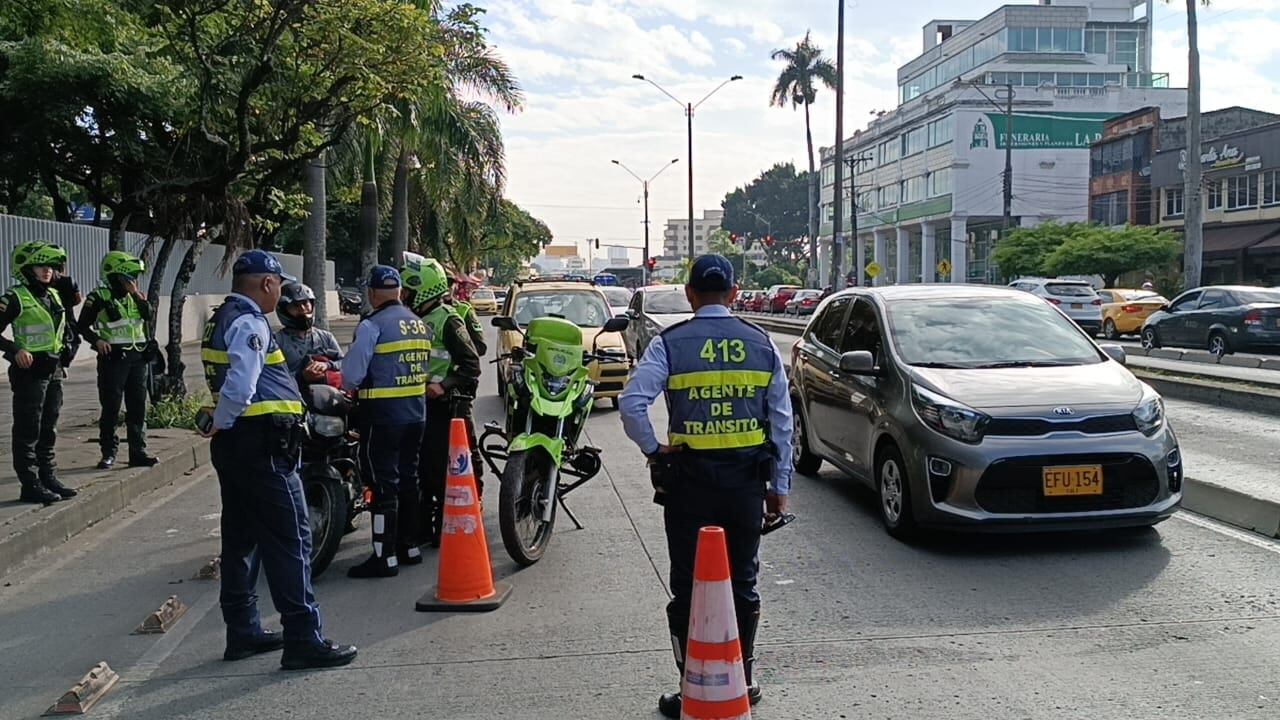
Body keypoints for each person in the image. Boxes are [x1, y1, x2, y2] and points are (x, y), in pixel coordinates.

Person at [618, 254, 793, 718]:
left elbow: (633, 403)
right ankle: (744, 678)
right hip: (745, 486)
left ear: (690, 295)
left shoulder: (670, 343)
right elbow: (781, 424)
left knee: (687, 584)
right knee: (743, 582)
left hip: (688, 486)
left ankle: (690, 684)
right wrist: (780, 488)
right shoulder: (761, 344)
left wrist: (655, 451)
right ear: (734, 294)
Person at [200, 249, 356, 670]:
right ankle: (304, 638)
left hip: (238, 447)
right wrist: (224, 419)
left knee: (240, 540)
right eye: (278, 286)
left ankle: (244, 631)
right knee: (292, 541)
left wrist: (221, 423)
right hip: (263, 444)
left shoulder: (220, 318)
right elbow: (241, 384)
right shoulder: (250, 322)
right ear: (266, 284)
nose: (281, 295)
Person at [341, 265, 429, 577]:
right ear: (400, 292)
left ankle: (384, 556)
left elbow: (351, 376)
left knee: (382, 484)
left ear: (372, 293)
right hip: (416, 414)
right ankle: (410, 546)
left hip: (382, 416)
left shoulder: (372, 325)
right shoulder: (417, 324)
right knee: (408, 478)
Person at [399, 255, 481, 547]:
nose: (403, 296)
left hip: (447, 407)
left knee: (446, 468)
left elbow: (472, 365)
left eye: (408, 290)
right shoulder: (413, 320)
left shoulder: (449, 319)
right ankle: (423, 528)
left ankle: (456, 520)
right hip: (417, 406)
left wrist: (442, 385)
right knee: (421, 469)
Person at [0, 241, 78, 504]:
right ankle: (30, 483)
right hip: (29, 372)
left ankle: (48, 476)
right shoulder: (15, 297)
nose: (47, 271)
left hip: (53, 370)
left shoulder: (54, 295)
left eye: (51, 266)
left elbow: (64, 326)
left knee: (49, 427)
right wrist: (14, 350)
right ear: (26, 269)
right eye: (41, 266)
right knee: (28, 429)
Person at [77, 250, 158, 470]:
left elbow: (148, 315)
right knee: (111, 407)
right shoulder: (99, 296)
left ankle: (138, 452)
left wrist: (136, 295)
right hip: (113, 358)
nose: (132, 281)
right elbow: (82, 325)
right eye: (127, 277)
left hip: (137, 358)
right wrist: (97, 342)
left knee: (137, 407)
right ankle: (108, 453)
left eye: (134, 277)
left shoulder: (136, 297)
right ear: (115, 276)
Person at [274, 282, 343, 387]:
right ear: (284, 310)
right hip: (293, 398)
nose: (302, 308)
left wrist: (327, 365)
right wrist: (302, 377)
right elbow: (272, 377)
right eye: (296, 305)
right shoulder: (277, 341)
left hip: (328, 398)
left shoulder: (325, 337)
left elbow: (345, 363)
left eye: (305, 303)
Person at [449, 278, 487, 356]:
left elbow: (480, 347)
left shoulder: (463, 310)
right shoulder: (420, 311)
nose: (447, 288)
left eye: (450, 284)